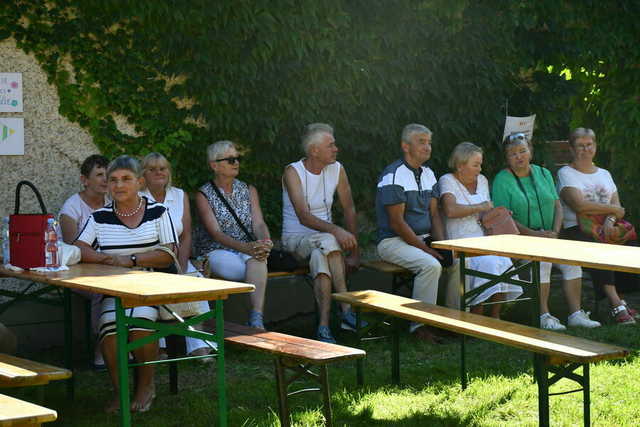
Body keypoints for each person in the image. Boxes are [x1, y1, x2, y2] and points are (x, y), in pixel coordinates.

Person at [75, 155, 178, 413]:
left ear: (140, 182)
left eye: (126, 179)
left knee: (139, 325)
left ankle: (146, 385)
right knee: (110, 328)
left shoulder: (159, 212)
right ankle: (120, 392)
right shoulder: (99, 217)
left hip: (152, 289)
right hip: (115, 290)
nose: (118, 185)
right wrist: (108, 259)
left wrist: (130, 260)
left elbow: (168, 253)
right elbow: (79, 248)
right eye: (113, 180)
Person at [492, 133, 600, 329]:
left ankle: (576, 314)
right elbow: (505, 218)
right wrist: (536, 236)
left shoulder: (543, 173)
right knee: (542, 263)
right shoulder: (502, 180)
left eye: (523, 151)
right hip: (519, 239)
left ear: (530, 151)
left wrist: (554, 232)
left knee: (572, 263)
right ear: (507, 158)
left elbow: (557, 205)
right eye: (513, 153)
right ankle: (543, 316)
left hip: (550, 236)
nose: (519, 156)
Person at [282, 123, 362, 344]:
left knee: (320, 257)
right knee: (328, 240)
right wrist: (337, 231)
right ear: (314, 150)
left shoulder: (337, 169)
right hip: (296, 240)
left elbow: (349, 208)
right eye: (331, 145)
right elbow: (303, 217)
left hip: (324, 246)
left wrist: (355, 251)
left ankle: (324, 327)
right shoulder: (293, 171)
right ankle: (346, 310)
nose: (336, 149)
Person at [375, 124, 452, 342]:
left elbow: (435, 215)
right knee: (430, 265)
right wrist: (427, 250)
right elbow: (397, 223)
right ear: (405, 146)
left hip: (421, 239)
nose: (427, 147)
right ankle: (420, 326)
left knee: (455, 259)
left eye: (429, 142)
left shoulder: (428, 173)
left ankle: (453, 321)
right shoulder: (393, 175)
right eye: (421, 142)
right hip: (392, 241)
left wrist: (442, 246)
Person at [557, 127, 639, 324]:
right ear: (571, 148)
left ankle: (621, 300)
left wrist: (610, 222)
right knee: (598, 250)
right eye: (580, 146)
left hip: (605, 229)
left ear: (595, 146)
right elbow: (579, 206)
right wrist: (612, 212)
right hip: (576, 230)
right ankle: (615, 303)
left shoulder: (605, 174)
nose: (585, 149)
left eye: (589, 145)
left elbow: (617, 207)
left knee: (633, 250)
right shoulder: (566, 173)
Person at [141, 152, 215, 358]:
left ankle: (198, 345)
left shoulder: (179, 195)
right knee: (155, 289)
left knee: (196, 284)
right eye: (152, 169)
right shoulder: (138, 198)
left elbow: (187, 234)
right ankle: (161, 346)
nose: (158, 173)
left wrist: (181, 267)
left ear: (169, 172)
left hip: (178, 259)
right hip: (150, 261)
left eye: (162, 168)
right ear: (143, 175)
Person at [438, 142, 522, 318]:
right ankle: (477, 316)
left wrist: (499, 214)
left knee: (503, 260)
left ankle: (495, 315)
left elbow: (485, 212)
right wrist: (480, 206)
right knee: (489, 262)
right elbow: (450, 210)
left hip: (484, 239)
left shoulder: (482, 180)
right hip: (460, 241)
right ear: (460, 166)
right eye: (475, 164)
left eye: (480, 164)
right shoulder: (447, 180)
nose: (479, 169)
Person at [195, 141, 271, 330]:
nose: (236, 162)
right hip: (215, 251)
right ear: (214, 165)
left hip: (247, 250)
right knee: (253, 265)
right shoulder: (204, 194)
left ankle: (256, 318)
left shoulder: (248, 190)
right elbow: (216, 234)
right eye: (230, 160)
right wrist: (249, 248)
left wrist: (265, 242)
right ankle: (251, 321)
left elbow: (259, 223)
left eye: (237, 158)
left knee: (259, 259)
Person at [58, 154, 109, 368]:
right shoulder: (72, 207)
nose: (105, 179)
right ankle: (101, 350)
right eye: (99, 175)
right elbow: (73, 247)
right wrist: (105, 258)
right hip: (78, 271)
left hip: (109, 266)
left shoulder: (112, 203)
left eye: (108, 174)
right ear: (84, 180)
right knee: (102, 291)